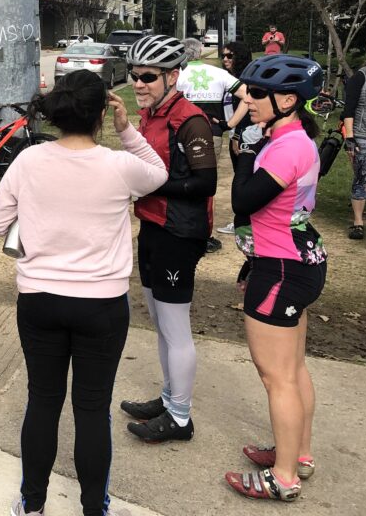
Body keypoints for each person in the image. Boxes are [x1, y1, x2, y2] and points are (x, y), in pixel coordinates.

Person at [0, 71, 167, 516]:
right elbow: (159, 174)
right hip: (102, 305)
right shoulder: (118, 165)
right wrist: (128, 129)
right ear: (101, 112)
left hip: (40, 299)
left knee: (43, 402)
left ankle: (32, 505)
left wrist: (37, 234)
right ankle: (93, 508)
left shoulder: (29, 161)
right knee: (91, 408)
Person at [224, 55, 327, 502]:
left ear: (288, 100)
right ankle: (297, 454)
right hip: (300, 257)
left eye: (257, 92)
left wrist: (243, 154)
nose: (247, 98)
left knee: (276, 377)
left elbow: (244, 201)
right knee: (293, 368)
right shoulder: (292, 137)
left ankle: (283, 478)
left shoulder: (287, 147)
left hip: (281, 266)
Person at [119, 35, 216, 443]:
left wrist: (149, 186)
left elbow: (205, 182)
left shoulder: (189, 119)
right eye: (133, 75)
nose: (138, 84)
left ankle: (180, 417)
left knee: (175, 326)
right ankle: (169, 396)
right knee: (159, 322)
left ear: (173, 77)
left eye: (148, 77)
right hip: (154, 226)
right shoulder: (151, 115)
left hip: (180, 230)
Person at [177, 37, 250, 252]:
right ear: (200, 52)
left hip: (181, 133)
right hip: (212, 133)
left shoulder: (176, 76)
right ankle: (204, 234)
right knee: (205, 184)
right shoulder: (219, 74)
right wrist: (230, 124)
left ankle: (182, 230)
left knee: (180, 179)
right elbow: (248, 97)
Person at [217, 41, 257, 235]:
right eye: (223, 55)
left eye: (229, 56)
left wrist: (237, 136)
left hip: (245, 136)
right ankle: (245, 220)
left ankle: (244, 222)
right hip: (235, 134)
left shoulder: (245, 81)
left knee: (243, 180)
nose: (225, 59)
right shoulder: (228, 79)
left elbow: (248, 111)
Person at [342, 41, 366, 240]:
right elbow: (349, 110)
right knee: (362, 177)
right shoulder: (360, 77)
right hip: (363, 136)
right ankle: (358, 223)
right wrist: (350, 138)